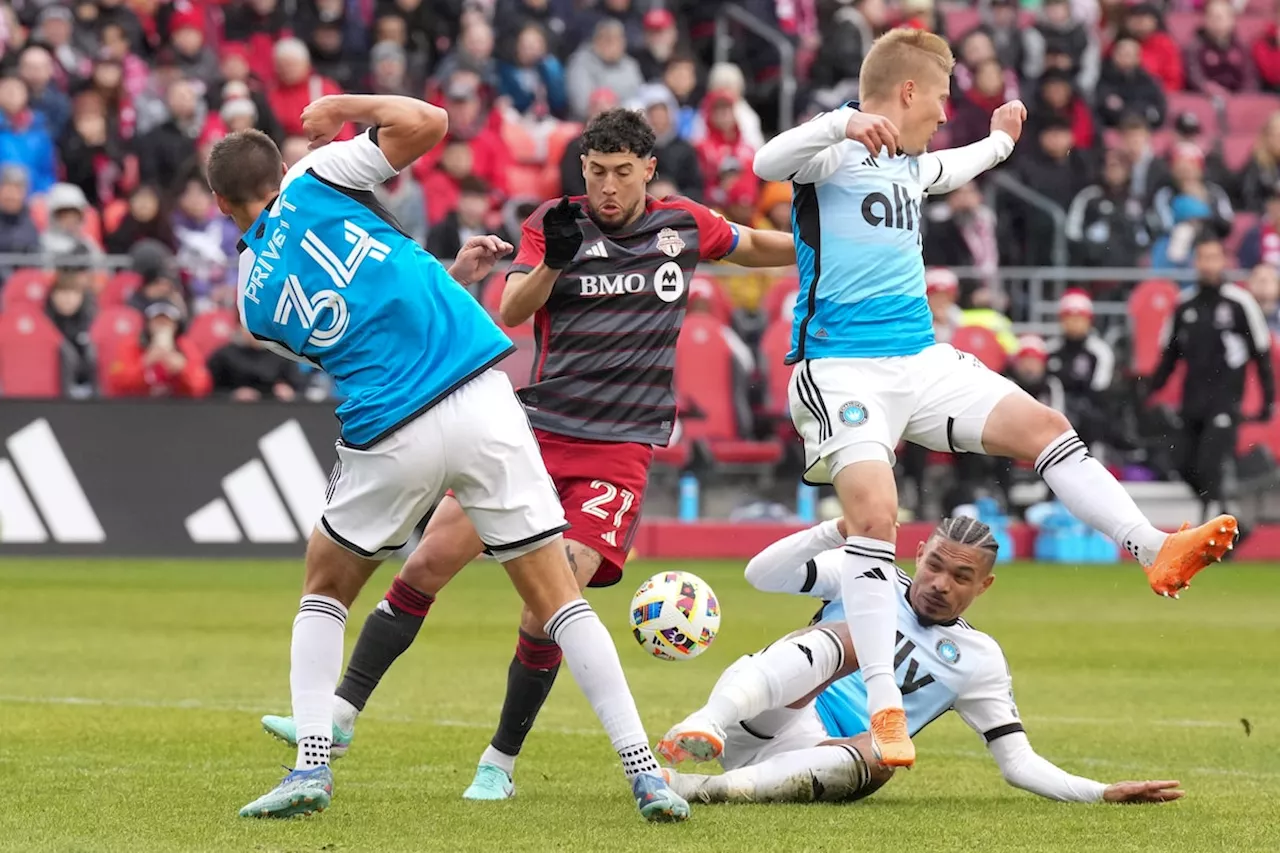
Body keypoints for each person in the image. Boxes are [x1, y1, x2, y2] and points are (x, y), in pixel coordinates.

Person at [256, 107, 803, 802]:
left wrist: (817, 247)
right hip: (536, 430)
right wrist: (555, 261)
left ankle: (500, 759)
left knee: (547, 602)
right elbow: (513, 309)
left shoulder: (683, 224)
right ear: (583, 168)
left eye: (621, 173)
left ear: (648, 172)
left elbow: (750, 244)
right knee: (426, 561)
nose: (607, 186)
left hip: (618, 449)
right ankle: (338, 715)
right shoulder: (555, 221)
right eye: (596, 171)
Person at [749, 28, 1236, 772]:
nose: (946, 114)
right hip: (841, 368)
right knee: (877, 517)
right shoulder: (832, 151)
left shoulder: (908, 162)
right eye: (942, 99)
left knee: (1045, 424)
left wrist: (1001, 143)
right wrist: (840, 121)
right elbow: (764, 161)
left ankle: (1153, 548)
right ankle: (884, 704)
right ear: (908, 91)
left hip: (919, 358)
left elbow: (949, 167)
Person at [657, 517, 1186, 808]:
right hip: (769, 710)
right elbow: (760, 575)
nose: (940, 584)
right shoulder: (868, 574)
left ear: (985, 586)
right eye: (935, 565)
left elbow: (1018, 763)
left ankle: (703, 790)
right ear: (917, 557)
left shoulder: (980, 660)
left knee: (889, 754)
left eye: (961, 577)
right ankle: (707, 722)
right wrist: (834, 530)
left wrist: (1099, 793)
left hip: (827, 761)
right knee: (859, 637)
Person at [1147, 235, 1276, 524]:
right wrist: (1148, 391)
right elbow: (1169, 357)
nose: (1208, 264)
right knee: (1180, 462)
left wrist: (1268, 400)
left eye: (1213, 257)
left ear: (1224, 261)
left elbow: (1261, 354)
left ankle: (1212, 525)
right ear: (1196, 262)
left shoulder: (1240, 303)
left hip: (1225, 401)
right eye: (1202, 258)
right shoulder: (1184, 304)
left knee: (1210, 463)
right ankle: (1229, 515)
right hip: (1192, 401)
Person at [1046, 290, 1115, 447]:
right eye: (1070, 318)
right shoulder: (1049, 350)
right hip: (1053, 413)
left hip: (1087, 416)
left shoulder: (1100, 352)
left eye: (1080, 318)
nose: (1075, 323)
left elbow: (1100, 390)